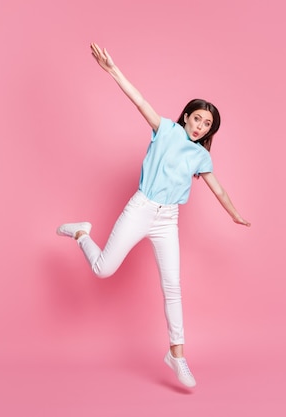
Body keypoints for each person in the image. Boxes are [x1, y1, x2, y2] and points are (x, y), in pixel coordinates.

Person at [57, 43, 251, 388]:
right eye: (197, 119)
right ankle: (81, 233)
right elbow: (139, 100)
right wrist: (112, 69)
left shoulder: (201, 158)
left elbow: (218, 189)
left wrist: (235, 215)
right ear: (187, 116)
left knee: (172, 286)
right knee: (103, 270)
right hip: (141, 208)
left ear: (209, 131)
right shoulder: (165, 130)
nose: (200, 127)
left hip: (168, 219)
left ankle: (176, 355)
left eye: (207, 125)